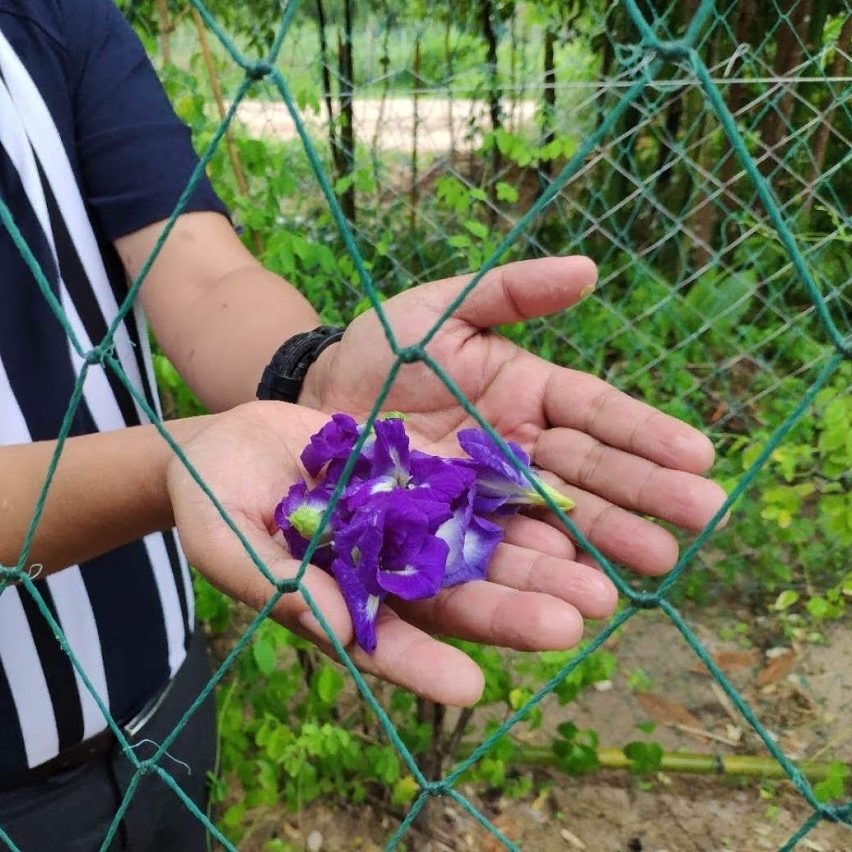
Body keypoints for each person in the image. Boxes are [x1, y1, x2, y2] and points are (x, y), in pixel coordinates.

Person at [0, 0, 727, 849]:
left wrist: (312, 372)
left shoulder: (48, 15)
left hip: (166, 702)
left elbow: (201, 274)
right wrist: (177, 462)